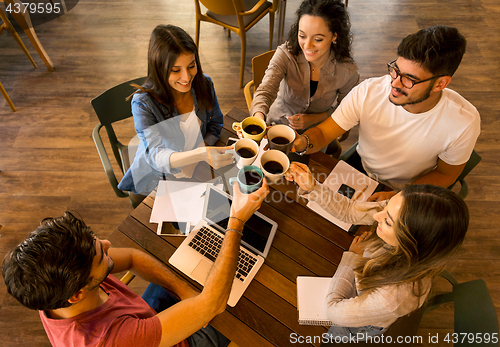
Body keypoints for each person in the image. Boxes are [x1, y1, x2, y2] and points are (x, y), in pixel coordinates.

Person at [2, 181, 269, 347]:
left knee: (199, 281)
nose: (107, 244)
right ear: (77, 294)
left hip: (143, 318)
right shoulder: (108, 339)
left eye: (96, 241)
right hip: (177, 341)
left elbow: (133, 257)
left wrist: (186, 293)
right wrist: (236, 222)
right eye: (100, 255)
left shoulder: (53, 284)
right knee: (248, 311)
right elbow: (214, 304)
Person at [292, 25, 481, 200]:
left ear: (440, 84)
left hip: (411, 188)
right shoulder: (369, 91)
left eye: (410, 79)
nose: (395, 83)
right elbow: (325, 132)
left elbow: (445, 174)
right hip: (360, 167)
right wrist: (302, 143)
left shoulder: (463, 122)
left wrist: (398, 196)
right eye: (396, 70)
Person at [285, 162, 468, 340]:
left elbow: (333, 312)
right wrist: (313, 187)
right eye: (385, 207)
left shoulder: (392, 298)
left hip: (360, 323)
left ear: (412, 242)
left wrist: (351, 259)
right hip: (362, 282)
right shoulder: (404, 215)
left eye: (388, 221)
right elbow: (350, 211)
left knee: (332, 337)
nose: (376, 216)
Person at [118, 25, 233, 195]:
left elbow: (215, 124)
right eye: (176, 70)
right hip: (157, 178)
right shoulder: (143, 103)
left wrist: (199, 154)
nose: (187, 78)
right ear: (159, 69)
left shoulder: (204, 84)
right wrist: (200, 155)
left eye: (191, 66)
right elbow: (156, 156)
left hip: (197, 168)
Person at [250, 0, 359, 155]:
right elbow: (265, 91)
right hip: (276, 125)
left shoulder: (347, 71)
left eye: (318, 39)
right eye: (302, 35)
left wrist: (315, 119)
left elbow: (346, 110)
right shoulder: (286, 54)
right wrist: (259, 118)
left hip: (318, 134)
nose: (307, 45)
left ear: (334, 36)